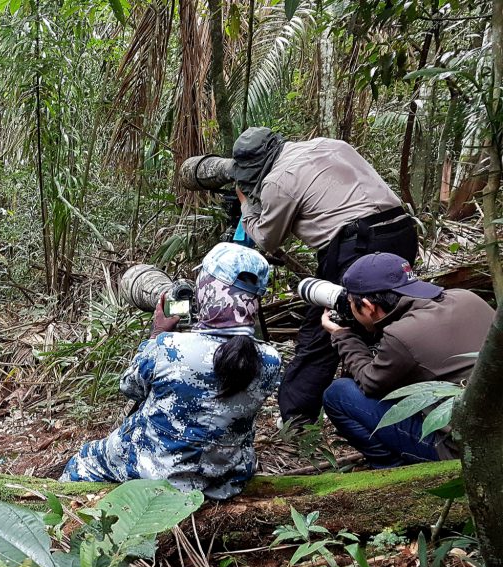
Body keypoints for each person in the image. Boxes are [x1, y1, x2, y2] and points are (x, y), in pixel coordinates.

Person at [61, 243, 282, 499]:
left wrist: (157, 333)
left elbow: (130, 388)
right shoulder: (270, 361)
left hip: (158, 474)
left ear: (206, 290)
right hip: (227, 479)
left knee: (83, 460)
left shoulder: (168, 348)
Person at [232, 127, 418, 430]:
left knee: (324, 327)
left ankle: (296, 419)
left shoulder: (278, 181)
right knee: (391, 317)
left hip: (359, 245)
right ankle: (391, 402)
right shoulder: (329, 144)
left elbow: (267, 239)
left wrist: (245, 204)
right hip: (402, 232)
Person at [320, 253, 494, 467]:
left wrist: (342, 336)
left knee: (339, 394)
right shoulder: (465, 296)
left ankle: (395, 470)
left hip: (466, 451)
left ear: (368, 305)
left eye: (351, 304)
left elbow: (369, 383)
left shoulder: (402, 334)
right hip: (492, 433)